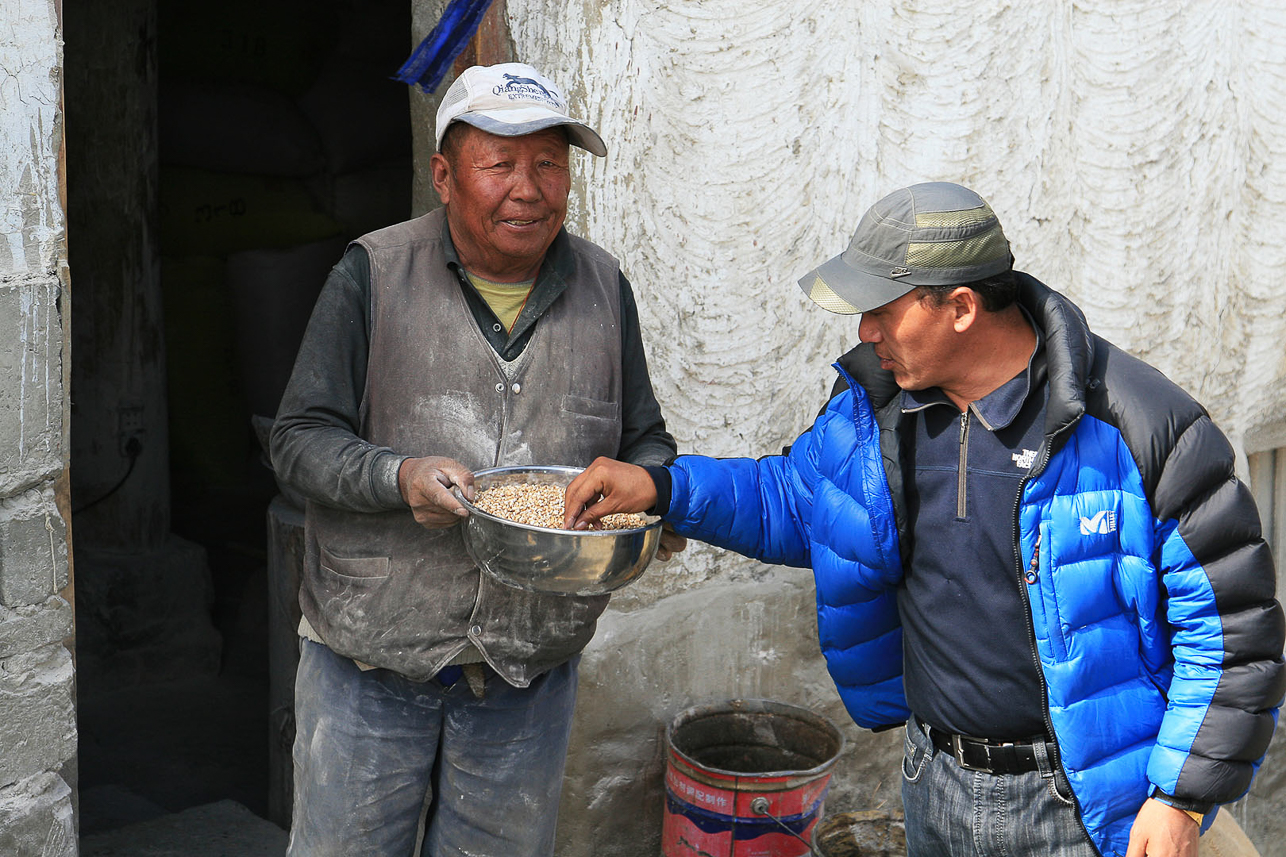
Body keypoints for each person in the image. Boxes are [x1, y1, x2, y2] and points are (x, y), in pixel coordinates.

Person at [564, 182, 1285, 857]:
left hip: (1082, 806)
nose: (865, 329)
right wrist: (660, 486)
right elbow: (793, 499)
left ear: (962, 306)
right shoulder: (876, 411)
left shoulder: (1138, 428)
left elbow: (1233, 631)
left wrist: (1181, 797)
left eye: (884, 307)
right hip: (934, 784)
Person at [270, 62, 678, 856]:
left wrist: (649, 490)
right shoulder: (374, 272)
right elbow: (298, 441)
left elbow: (646, 440)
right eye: (500, 164)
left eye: (550, 163)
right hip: (371, 663)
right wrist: (398, 476)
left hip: (526, 672)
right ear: (445, 176)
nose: (529, 188)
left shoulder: (603, 284)